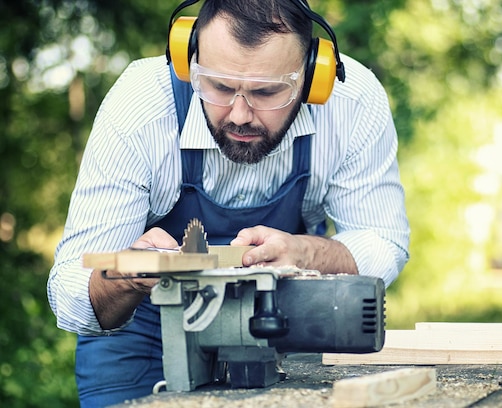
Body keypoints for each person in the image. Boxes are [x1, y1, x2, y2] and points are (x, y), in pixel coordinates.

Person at [47, 0, 409, 406]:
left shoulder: (351, 103)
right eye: (218, 86)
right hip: (147, 329)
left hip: (283, 316)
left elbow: (385, 241)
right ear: (189, 61)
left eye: (267, 91)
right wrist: (129, 274)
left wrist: (306, 252)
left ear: (312, 77)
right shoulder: (140, 107)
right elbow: (70, 293)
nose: (239, 114)